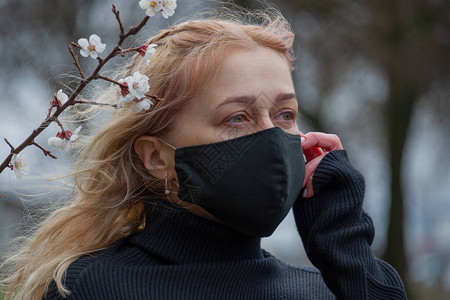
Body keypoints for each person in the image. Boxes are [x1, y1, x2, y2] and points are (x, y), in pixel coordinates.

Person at [1, 3, 407, 300]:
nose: (271, 137)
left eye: (285, 114)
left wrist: (345, 246)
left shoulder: (321, 290)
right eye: (237, 118)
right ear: (157, 157)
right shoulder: (90, 288)